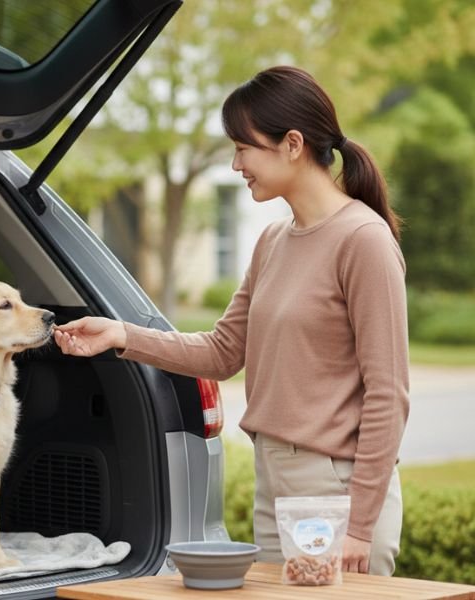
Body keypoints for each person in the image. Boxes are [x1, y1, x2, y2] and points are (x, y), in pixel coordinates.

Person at [53, 65, 408, 577]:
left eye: (244, 148)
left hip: (334, 488)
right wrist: (121, 335)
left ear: (292, 144)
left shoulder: (363, 241)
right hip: (275, 479)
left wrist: (359, 525)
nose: (237, 164)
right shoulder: (273, 242)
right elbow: (223, 352)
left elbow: (388, 393)